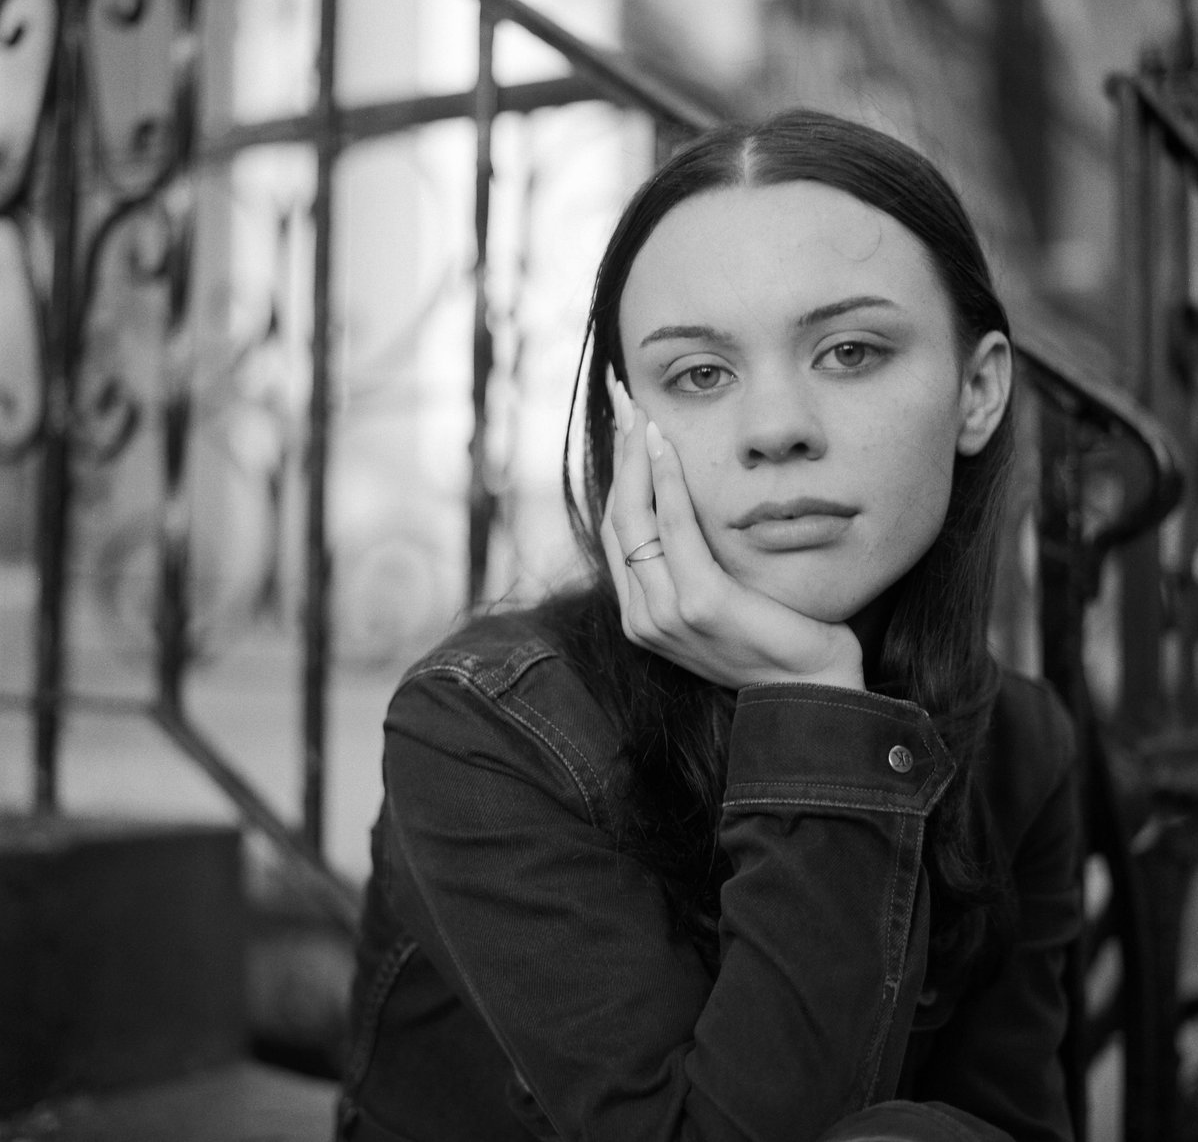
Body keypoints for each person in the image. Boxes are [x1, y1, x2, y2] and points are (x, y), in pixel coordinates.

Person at [336, 108, 1081, 1142]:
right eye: (699, 374)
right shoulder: (480, 728)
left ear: (979, 390)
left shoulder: (1022, 743)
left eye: (850, 351)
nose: (775, 428)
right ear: (626, 426)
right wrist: (814, 697)